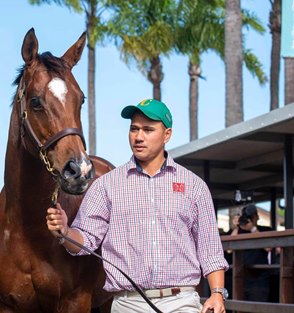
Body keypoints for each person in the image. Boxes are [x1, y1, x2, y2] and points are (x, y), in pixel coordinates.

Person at [46, 99, 229, 313]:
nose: (138, 137)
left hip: (181, 302)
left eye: (148, 130)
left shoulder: (194, 186)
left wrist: (217, 294)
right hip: (128, 304)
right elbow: (85, 240)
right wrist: (65, 232)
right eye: (134, 129)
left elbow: (210, 249)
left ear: (167, 135)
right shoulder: (106, 185)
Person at [230, 204, 278, 302]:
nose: (250, 219)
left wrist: (253, 229)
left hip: (259, 279)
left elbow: (268, 247)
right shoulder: (239, 231)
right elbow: (229, 249)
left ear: (257, 217)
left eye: (252, 217)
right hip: (242, 278)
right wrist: (237, 227)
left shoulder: (264, 230)